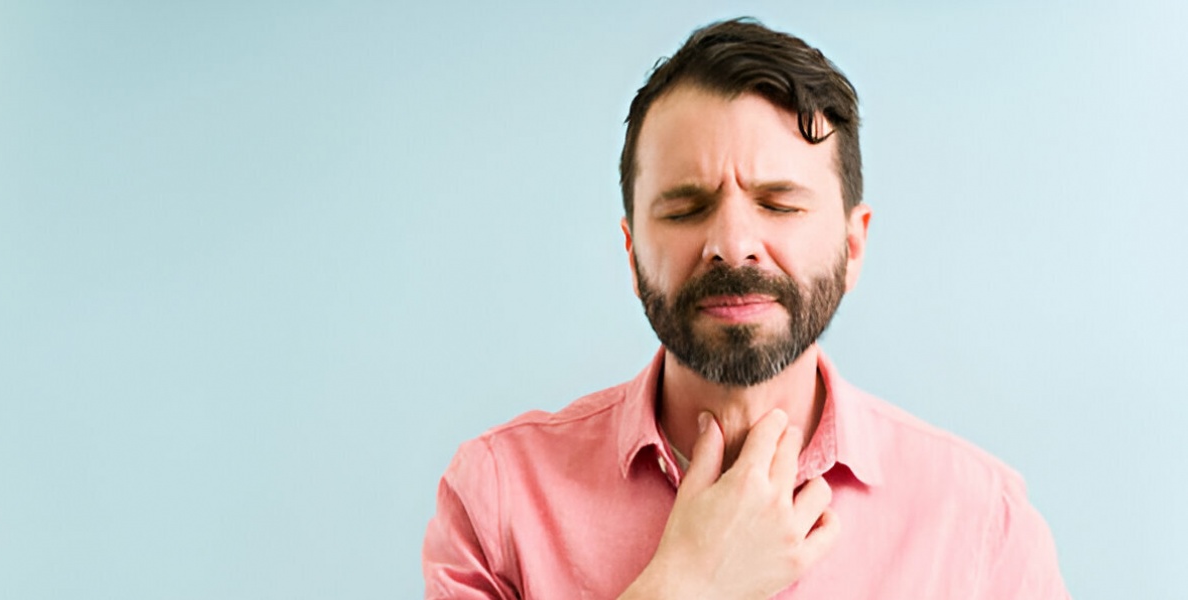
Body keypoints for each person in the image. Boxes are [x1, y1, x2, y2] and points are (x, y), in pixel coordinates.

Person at [423, 18, 1070, 599]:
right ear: (631, 251)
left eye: (780, 204)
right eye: (684, 209)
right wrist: (686, 584)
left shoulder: (983, 522)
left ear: (852, 245)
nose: (733, 246)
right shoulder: (497, 499)